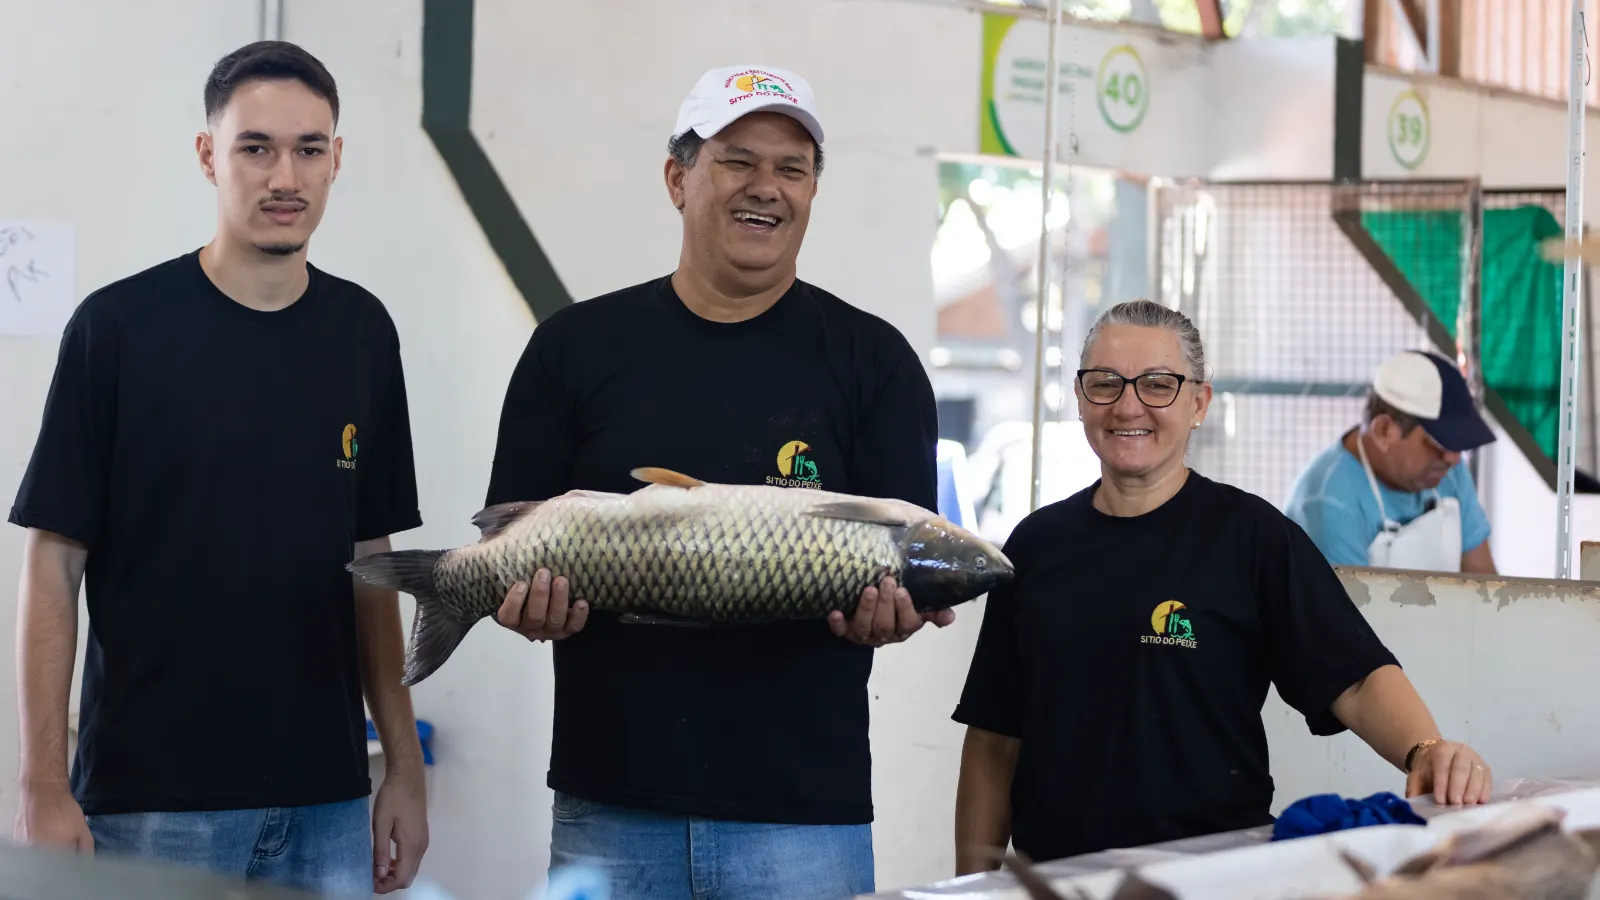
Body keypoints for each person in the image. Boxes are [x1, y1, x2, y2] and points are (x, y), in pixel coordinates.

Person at [483, 64, 948, 899]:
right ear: (678, 178)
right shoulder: (573, 349)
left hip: (803, 815)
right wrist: (518, 601)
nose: (765, 187)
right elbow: (505, 542)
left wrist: (896, 616)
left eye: (792, 168)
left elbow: (904, 570)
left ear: (812, 190)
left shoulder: (875, 363)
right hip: (611, 802)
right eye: (737, 159)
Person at [9, 41, 428, 896]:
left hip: (327, 799)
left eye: (310, 148)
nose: (286, 174)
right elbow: (53, 564)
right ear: (209, 155)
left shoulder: (363, 332)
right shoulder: (117, 329)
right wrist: (42, 784)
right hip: (152, 803)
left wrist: (404, 768)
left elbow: (371, 562)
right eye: (256, 147)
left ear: (337, 159)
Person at [950, 300, 1492, 875]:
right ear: (1081, 397)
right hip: (1057, 881)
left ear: (1199, 403)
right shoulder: (1035, 545)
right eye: (1105, 383)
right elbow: (994, 740)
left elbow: (1354, 678)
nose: (1129, 405)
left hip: (1212, 876)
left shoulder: (1251, 538)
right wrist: (971, 888)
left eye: (1158, 384)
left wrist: (1428, 750)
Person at [1283, 349, 1497, 574]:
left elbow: (1483, 582)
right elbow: (1341, 608)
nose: (1453, 459)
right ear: (1384, 431)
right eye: (1438, 444)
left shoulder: (1447, 469)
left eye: (1457, 445)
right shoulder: (1329, 505)